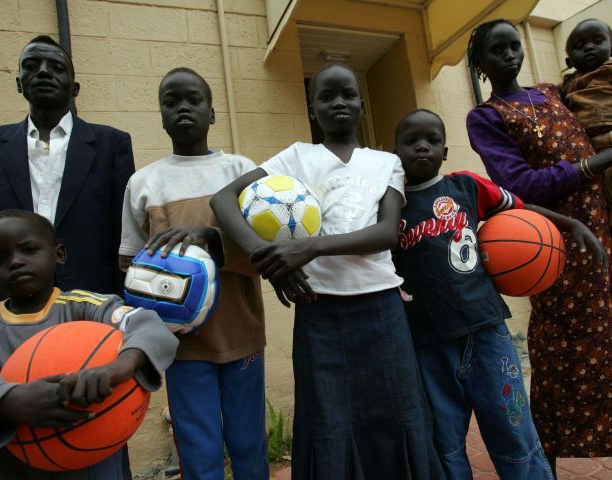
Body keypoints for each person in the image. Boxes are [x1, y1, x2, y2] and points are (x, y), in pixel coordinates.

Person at [211, 62, 444, 479]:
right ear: (312, 106)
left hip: (382, 311)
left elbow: (387, 232)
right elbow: (225, 200)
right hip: (320, 314)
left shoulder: (385, 161)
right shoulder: (296, 157)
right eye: (326, 95)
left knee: (398, 412)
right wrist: (269, 260)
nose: (339, 102)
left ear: (361, 104)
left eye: (349, 94)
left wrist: (308, 247)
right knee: (329, 421)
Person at [394, 108, 605, 479]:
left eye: (432, 140)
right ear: (396, 151)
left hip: (486, 330)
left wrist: (570, 224)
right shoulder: (390, 206)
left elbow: (523, 209)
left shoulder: (467, 187)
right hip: (427, 342)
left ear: (445, 151)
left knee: (514, 433)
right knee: (445, 444)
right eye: (411, 141)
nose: (422, 147)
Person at [466, 19, 612, 473]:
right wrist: (592, 165)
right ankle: (543, 457)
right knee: (558, 350)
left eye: (514, 46)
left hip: (603, 231)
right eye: (497, 51)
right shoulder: (486, 117)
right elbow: (520, 184)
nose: (510, 55)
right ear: (482, 64)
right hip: (553, 243)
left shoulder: (553, 92)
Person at [118, 67, 268, 480]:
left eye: (193, 100)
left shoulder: (241, 170)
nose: (183, 107)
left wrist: (211, 240)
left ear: (212, 113)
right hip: (181, 346)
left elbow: (264, 248)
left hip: (242, 332)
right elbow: (130, 264)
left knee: (248, 442)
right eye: (171, 101)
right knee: (198, 449)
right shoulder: (143, 183)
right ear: (161, 115)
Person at [0, 209, 179, 480]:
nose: (16, 262)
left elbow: (148, 325)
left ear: (59, 254)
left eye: (29, 250)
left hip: (86, 453)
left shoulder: (85, 306)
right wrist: (9, 401)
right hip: (2, 465)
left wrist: (118, 367)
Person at [0, 35, 135, 304]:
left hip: (92, 295)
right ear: (18, 83)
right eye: (32, 65)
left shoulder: (112, 144)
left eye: (56, 68)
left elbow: (124, 233)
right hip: (8, 301)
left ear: (75, 88)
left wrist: (124, 303)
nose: (44, 72)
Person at [562, 19, 612, 207]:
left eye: (597, 41)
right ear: (569, 61)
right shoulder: (567, 84)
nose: (589, 47)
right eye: (579, 46)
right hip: (592, 151)